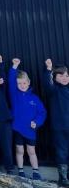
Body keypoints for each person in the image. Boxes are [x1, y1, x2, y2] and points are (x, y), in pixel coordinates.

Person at [9, 58, 46, 180]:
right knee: (19, 150)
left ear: (28, 82)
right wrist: (14, 66)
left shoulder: (34, 98)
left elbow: (42, 112)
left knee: (31, 151)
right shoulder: (15, 94)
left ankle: (36, 172)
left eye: (24, 83)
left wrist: (37, 122)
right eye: (19, 83)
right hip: (18, 128)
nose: (22, 85)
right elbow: (10, 79)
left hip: (30, 129)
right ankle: (20, 171)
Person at [43, 58, 69, 186]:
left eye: (67, 75)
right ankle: (63, 179)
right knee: (61, 151)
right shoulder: (54, 90)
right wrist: (48, 69)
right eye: (61, 75)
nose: (65, 77)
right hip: (59, 127)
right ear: (55, 77)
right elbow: (47, 84)